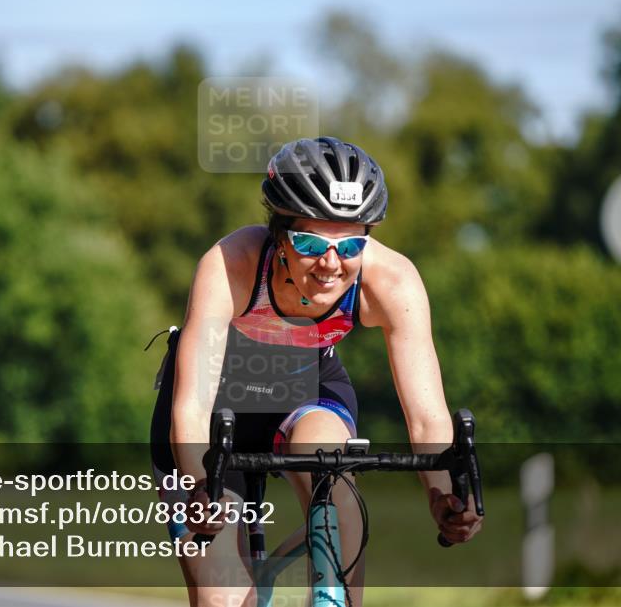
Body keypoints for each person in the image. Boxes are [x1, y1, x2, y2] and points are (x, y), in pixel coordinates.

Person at [149, 137, 482, 606]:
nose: (331, 264)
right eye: (309, 243)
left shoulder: (392, 280)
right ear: (279, 234)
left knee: (334, 469)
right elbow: (193, 404)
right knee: (221, 598)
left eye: (350, 245)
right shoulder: (231, 264)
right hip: (211, 408)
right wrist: (200, 487)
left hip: (304, 388)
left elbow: (428, 417)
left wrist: (444, 496)